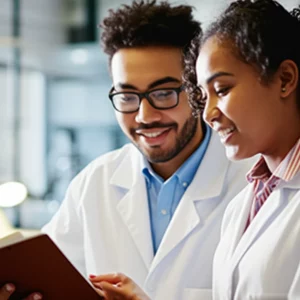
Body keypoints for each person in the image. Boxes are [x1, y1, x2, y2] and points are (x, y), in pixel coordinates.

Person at [0, 1, 254, 300]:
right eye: (127, 96)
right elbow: (53, 280)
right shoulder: (93, 183)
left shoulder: (252, 183)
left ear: (198, 90)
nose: (145, 115)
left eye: (163, 93)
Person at [90, 0, 300, 299]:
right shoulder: (249, 199)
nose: (208, 112)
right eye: (202, 95)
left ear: (285, 79)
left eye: (223, 89)